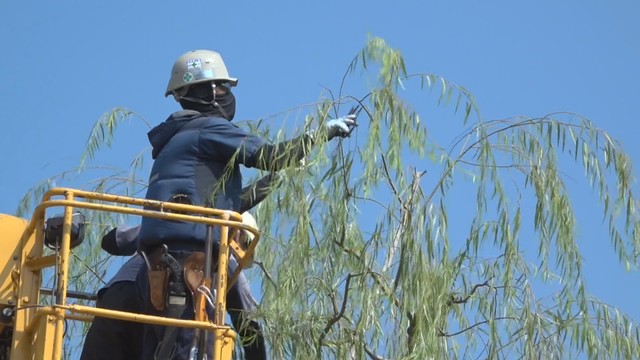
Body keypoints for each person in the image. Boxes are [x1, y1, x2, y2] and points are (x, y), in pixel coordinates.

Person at [136, 49, 357, 360]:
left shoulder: (174, 142)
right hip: (190, 264)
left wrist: (277, 180)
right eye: (223, 87)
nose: (227, 95)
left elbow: (228, 204)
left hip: (155, 269)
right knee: (195, 348)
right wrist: (322, 133)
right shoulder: (208, 129)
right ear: (209, 90)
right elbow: (269, 156)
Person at [80, 174, 281, 360]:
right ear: (236, 229)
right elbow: (249, 325)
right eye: (245, 242)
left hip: (115, 301)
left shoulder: (167, 228)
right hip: (154, 308)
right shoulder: (221, 253)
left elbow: (112, 241)